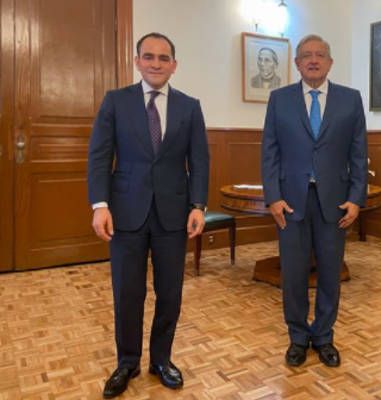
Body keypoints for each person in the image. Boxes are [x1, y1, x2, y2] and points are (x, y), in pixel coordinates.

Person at [87, 32, 209, 398]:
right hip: (125, 213)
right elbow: (99, 156)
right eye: (149, 56)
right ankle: (127, 362)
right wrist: (100, 205)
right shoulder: (115, 101)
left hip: (174, 214)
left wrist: (198, 205)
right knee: (128, 293)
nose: (156, 63)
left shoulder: (190, 107)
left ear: (174, 65)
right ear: (137, 61)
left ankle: (161, 359)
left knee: (169, 293)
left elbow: (199, 161)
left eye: (163, 57)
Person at [261, 34, 367, 368]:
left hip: (335, 202)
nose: (313, 60)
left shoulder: (351, 99)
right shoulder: (279, 99)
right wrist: (273, 197)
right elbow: (269, 151)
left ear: (330, 62)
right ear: (297, 63)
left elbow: (359, 153)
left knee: (330, 272)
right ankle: (297, 337)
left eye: (320, 54)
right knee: (293, 274)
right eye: (306, 55)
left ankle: (323, 336)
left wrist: (356, 198)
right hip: (290, 202)